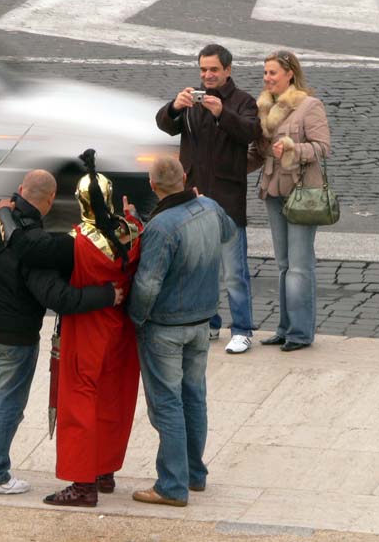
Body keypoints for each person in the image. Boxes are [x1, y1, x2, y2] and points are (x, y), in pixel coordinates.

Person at [0, 169, 122, 497]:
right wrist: (108, 295)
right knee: (7, 403)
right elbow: (59, 298)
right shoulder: (38, 245)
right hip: (15, 336)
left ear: (20, 190)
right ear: (49, 200)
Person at [0, 150, 142, 508]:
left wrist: (4, 212)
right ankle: (105, 471)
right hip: (121, 330)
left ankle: (83, 483)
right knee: (113, 399)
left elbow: (26, 246)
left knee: (79, 402)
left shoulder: (75, 244)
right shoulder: (133, 231)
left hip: (87, 330)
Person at [128, 156, 235, 508]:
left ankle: (172, 485)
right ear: (185, 177)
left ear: (152, 184)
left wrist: (136, 319)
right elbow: (230, 232)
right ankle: (194, 473)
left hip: (166, 328)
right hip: (202, 322)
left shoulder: (161, 226)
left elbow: (147, 285)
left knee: (168, 405)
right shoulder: (210, 207)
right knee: (194, 397)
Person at [155, 44, 261, 354]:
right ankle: (209, 323)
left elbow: (250, 132)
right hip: (194, 197)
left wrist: (222, 114)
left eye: (213, 69)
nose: (207, 75)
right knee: (200, 268)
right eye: (203, 69)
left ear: (228, 70)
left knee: (234, 270)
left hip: (227, 198)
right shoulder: (192, 100)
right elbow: (164, 124)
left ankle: (242, 329)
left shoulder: (243, 102)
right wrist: (175, 106)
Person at [247, 50, 331, 352]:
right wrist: (227, 166)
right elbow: (258, 153)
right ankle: (284, 328)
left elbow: (322, 147)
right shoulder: (262, 108)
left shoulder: (309, 106)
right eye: (265, 73)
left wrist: (294, 148)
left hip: (302, 193)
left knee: (299, 265)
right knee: (283, 265)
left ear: (290, 74)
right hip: (273, 191)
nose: (267, 78)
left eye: (273, 73)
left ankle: (300, 332)